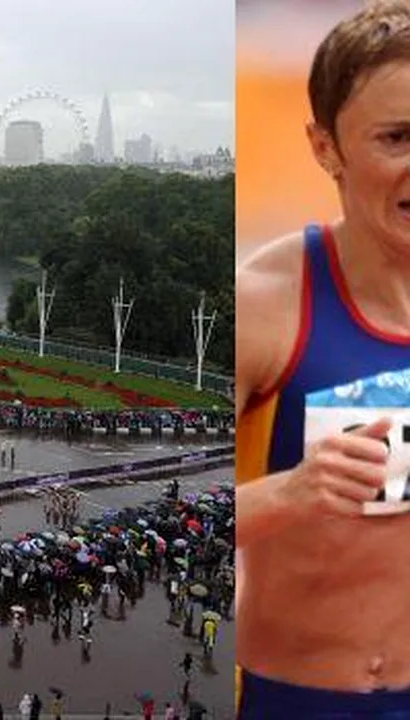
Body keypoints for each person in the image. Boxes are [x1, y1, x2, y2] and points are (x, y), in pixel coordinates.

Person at [237, 2, 410, 715]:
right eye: (397, 138)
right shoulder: (264, 305)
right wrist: (291, 494)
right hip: (300, 697)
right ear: (325, 147)